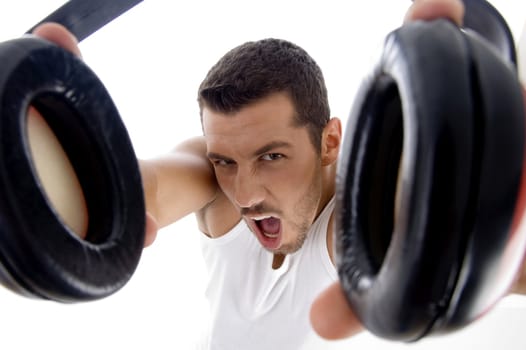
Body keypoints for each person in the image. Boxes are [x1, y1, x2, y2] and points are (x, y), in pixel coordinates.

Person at [28, 0, 526, 348]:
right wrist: (68, 174)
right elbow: (150, 187)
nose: (243, 195)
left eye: (272, 157)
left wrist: (498, 220)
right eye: (225, 161)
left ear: (330, 141)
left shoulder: (354, 226)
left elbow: (420, 219)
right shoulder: (218, 189)